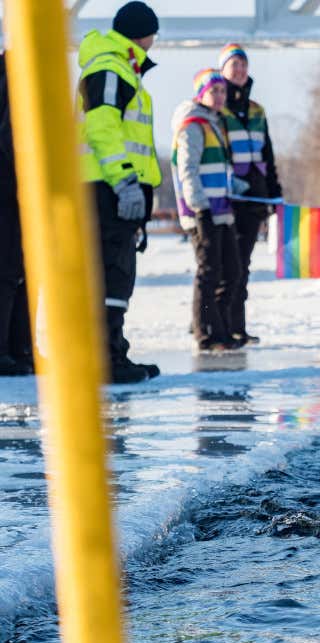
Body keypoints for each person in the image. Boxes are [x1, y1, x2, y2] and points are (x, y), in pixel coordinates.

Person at [76, 1, 162, 383]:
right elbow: (102, 129)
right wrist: (125, 179)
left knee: (115, 273)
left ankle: (113, 352)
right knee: (112, 272)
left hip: (113, 188)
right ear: (142, 34)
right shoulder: (110, 69)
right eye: (152, 35)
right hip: (107, 188)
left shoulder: (121, 69)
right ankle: (104, 359)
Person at [172, 69, 247, 352]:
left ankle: (222, 327)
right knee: (209, 272)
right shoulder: (193, 125)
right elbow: (187, 170)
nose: (219, 96)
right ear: (200, 94)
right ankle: (206, 332)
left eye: (222, 91)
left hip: (221, 209)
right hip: (203, 212)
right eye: (213, 91)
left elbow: (217, 168)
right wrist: (199, 207)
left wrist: (238, 188)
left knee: (232, 271)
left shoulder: (214, 124)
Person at [219, 43, 284, 346]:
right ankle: (213, 325)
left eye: (243, 65)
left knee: (242, 265)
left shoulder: (257, 110)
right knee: (223, 265)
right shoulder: (217, 107)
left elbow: (267, 153)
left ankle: (237, 327)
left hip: (254, 197)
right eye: (233, 65)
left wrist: (274, 191)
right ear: (223, 71)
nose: (240, 70)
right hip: (226, 196)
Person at [0, 52, 33, 377]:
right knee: (12, 272)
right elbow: (14, 135)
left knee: (20, 272)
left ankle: (19, 348)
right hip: (13, 189)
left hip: (13, 187)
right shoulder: (18, 75)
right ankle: (12, 349)